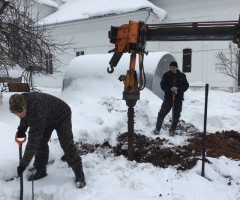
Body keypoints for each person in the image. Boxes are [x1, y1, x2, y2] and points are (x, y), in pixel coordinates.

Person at [9, 92, 86, 188]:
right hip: (47, 116)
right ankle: (41, 170)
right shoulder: (21, 101)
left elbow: (33, 141)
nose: (20, 116)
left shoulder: (37, 112)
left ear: (25, 106)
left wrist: (23, 164)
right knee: (41, 142)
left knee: (66, 144)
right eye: (17, 115)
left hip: (62, 114)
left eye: (21, 114)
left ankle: (79, 173)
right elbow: (26, 117)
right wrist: (22, 128)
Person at [154, 61, 189, 136]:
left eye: (173, 67)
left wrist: (178, 89)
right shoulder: (166, 75)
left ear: (176, 67)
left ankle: (172, 130)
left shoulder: (182, 76)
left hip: (178, 98)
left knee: (176, 114)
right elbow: (162, 85)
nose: (172, 69)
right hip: (168, 98)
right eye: (170, 67)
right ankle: (157, 129)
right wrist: (170, 89)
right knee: (162, 113)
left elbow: (186, 86)